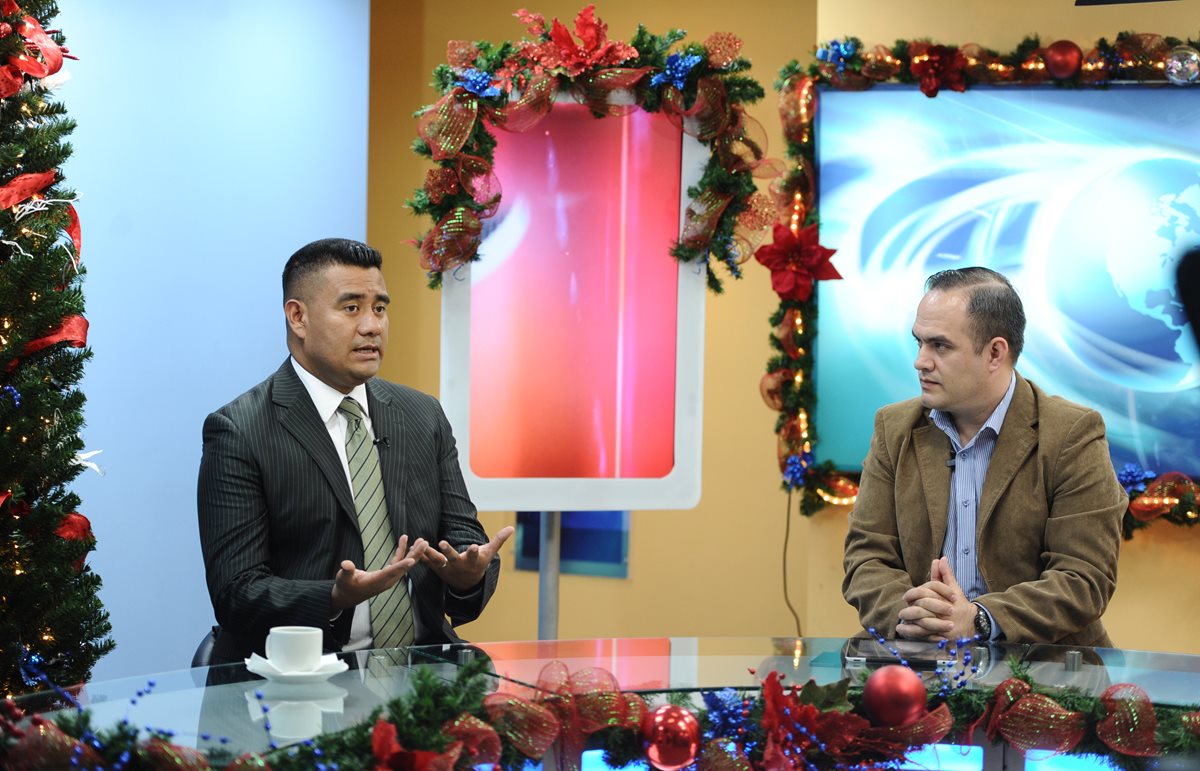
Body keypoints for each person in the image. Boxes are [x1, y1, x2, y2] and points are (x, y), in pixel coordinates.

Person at [197, 237, 512, 664]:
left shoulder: (422, 416)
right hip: (304, 681)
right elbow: (237, 593)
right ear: (298, 317)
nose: (372, 326)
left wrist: (467, 576)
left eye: (379, 308)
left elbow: (462, 539)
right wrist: (333, 596)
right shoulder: (240, 430)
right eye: (351, 308)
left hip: (422, 671)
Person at [842, 267, 1126, 647]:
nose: (921, 361)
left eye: (939, 346)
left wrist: (978, 619)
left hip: (1044, 672)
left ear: (995, 352)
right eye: (919, 343)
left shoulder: (1072, 434)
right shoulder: (894, 429)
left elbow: (1084, 579)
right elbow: (866, 558)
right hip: (917, 658)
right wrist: (916, 614)